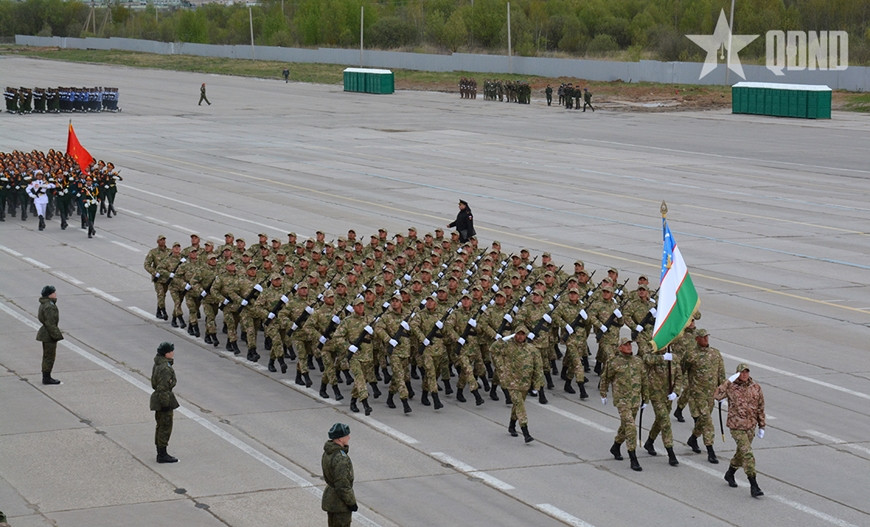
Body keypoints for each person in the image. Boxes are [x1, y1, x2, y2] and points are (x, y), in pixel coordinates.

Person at [714, 363, 766, 497]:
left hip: (750, 427)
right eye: (742, 372)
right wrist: (728, 381)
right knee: (747, 454)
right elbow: (717, 395)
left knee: (741, 453)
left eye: (746, 372)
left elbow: (760, 407)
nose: (744, 374)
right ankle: (754, 485)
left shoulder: (755, 387)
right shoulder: (731, 387)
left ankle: (730, 473)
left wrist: (762, 426)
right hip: (736, 426)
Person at [600, 337, 647, 471]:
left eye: (630, 345)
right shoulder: (614, 362)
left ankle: (615, 446)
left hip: (635, 400)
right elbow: (605, 378)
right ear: (620, 347)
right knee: (631, 426)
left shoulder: (638, 362)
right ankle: (633, 457)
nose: (629, 347)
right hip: (622, 400)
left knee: (625, 425)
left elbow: (644, 380)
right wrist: (603, 393)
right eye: (625, 345)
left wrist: (646, 398)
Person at [491, 325, 543, 443]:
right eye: (518, 334)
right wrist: (504, 339)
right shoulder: (508, 346)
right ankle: (526, 432)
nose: (520, 337)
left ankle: (512, 425)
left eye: (522, 334)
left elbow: (538, 367)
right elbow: (493, 349)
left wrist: (537, 384)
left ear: (526, 336)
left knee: (517, 405)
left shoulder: (532, 349)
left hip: (525, 383)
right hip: (511, 382)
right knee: (519, 404)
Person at [684, 328, 725, 464]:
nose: (706, 339)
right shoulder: (691, 355)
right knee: (707, 420)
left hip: (711, 394)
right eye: (703, 337)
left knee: (702, 420)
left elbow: (721, 374)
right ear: (697, 339)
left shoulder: (715, 353)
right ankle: (710, 450)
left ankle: (693, 438)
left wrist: (722, 391)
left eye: (707, 336)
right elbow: (682, 370)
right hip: (698, 393)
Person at [322, 423, 357, 527]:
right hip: (340, 504)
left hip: (331, 499)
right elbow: (342, 485)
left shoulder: (328, 452)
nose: (349, 437)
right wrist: (351, 503)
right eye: (347, 435)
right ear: (340, 439)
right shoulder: (341, 459)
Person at [150, 342, 180, 463]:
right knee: (165, 426)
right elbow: (163, 387)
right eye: (171, 351)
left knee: (160, 426)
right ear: (166, 353)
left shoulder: (158, 364)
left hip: (159, 398)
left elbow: (154, 383)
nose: (173, 353)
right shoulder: (165, 368)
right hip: (164, 399)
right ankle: (162, 454)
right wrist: (166, 404)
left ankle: (161, 452)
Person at [36, 285, 63, 385]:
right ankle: (47, 378)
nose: (55, 294)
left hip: (46, 333)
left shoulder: (45, 304)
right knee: (49, 356)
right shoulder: (49, 307)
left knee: (47, 356)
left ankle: (46, 376)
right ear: (49, 294)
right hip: (49, 335)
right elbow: (50, 323)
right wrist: (56, 335)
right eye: (53, 292)